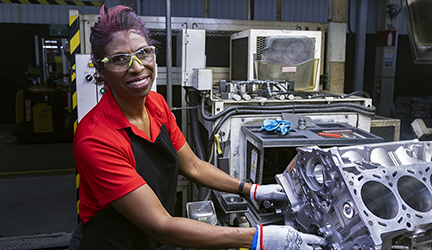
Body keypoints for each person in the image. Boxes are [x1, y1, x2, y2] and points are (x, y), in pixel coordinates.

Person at [70, 4, 326, 250]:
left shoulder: (156, 104)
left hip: (151, 240)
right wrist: (257, 237)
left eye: (143, 52)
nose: (137, 67)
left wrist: (252, 190)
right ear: (101, 70)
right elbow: (162, 225)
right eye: (119, 59)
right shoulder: (95, 139)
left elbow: (192, 165)